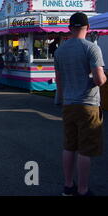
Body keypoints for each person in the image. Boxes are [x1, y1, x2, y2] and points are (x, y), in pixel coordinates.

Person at [54, 12, 106, 196]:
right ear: (88, 28)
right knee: (85, 149)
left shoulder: (59, 51)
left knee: (69, 146)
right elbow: (99, 80)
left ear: (69, 28)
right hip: (88, 104)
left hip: (68, 104)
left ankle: (68, 186)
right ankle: (83, 189)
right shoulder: (92, 48)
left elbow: (59, 79)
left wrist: (59, 99)